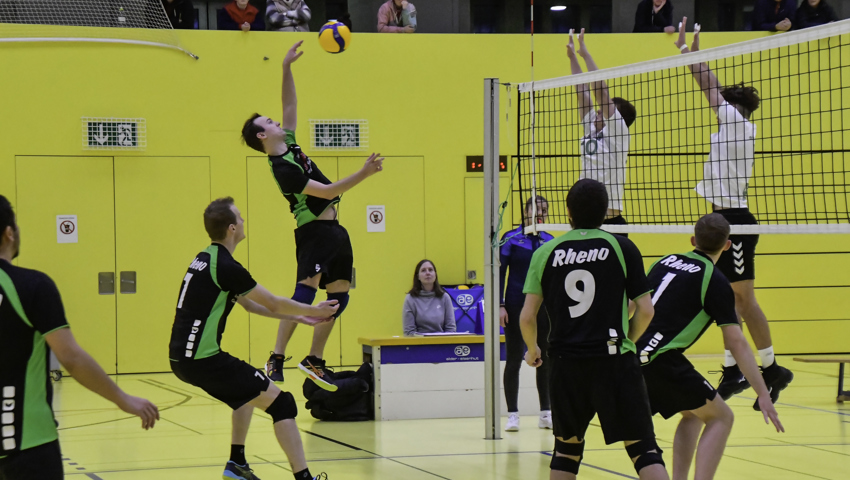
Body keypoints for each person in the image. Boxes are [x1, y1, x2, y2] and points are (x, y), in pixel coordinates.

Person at [240, 41, 385, 391]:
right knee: (304, 295)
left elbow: (290, 103)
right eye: (269, 122)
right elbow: (326, 191)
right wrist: (363, 173)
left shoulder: (287, 142)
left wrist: (286, 67)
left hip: (335, 231)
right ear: (262, 135)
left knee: (339, 296)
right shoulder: (282, 168)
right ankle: (276, 356)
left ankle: (314, 359)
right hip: (314, 233)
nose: (277, 121)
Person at [169, 197, 338, 480]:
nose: (245, 221)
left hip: (182, 357)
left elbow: (251, 305)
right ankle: (304, 477)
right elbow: (272, 302)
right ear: (232, 228)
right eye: (241, 217)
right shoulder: (226, 267)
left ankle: (237, 463)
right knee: (282, 403)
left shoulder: (204, 258)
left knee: (245, 393)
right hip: (202, 359)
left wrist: (299, 318)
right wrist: (314, 309)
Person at [674, 17, 794, 409]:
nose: (717, 107)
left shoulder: (738, 124)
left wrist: (689, 51)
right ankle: (734, 368)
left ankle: (772, 368)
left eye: (723, 104)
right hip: (723, 221)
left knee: (743, 300)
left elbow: (707, 85)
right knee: (725, 300)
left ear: (734, 108)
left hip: (736, 223)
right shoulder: (729, 129)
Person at [0, 195, 159, 480]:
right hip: (27, 444)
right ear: (9, 232)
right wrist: (122, 399)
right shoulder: (32, 286)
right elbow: (71, 358)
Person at [521, 179, 668, 480]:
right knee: (644, 450)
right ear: (605, 213)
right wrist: (629, 339)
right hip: (614, 359)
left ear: (568, 212)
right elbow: (647, 310)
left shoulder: (546, 252)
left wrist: (533, 348)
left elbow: (527, 316)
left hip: (565, 363)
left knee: (566, 451)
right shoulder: (623, 247)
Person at [636, 213, 784, 480]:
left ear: (693, 239)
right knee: (722, 417)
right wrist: (763, 392)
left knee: (692, 414)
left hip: (631, 354)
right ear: (727, 246)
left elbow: (635, 305)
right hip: (662, 359)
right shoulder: (714, 281)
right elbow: (736, 342)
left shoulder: (664, 261)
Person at [567, 29, 637, 236]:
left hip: (610, 222)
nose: (599, 110)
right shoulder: (591, 127)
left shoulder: (618, 134)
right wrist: (572, 56)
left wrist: (585, 54)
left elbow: (601, 92)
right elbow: (581, 90)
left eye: (605, 110)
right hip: (584, 223)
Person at [499, 195, 554, 432]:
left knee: (545, 357)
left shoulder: (550, 240)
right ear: (525, 211)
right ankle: (513, 414)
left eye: (544, 209)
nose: (539, 212)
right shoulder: (510, 238)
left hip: (544, 308)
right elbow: (499, 274)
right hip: (514, 305)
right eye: (535, 208)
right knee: (513, 359)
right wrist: (500, 305)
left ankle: (546, 412)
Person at [402, 260, 456, 336]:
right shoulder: (410, 299)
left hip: (442, 344)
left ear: (435, 274)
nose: (428, 273)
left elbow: (451, 329)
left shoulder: (444, 297)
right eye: (423, 270)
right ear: (418, 277)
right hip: (418, 345)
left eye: (430, 270)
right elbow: (409, 332)